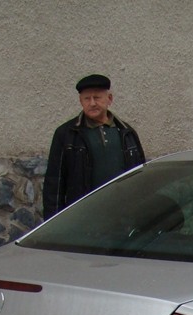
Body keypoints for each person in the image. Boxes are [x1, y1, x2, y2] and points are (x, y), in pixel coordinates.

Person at [42, 73, 145, 220]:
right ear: (80, 101)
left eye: (97, 98)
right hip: (84, 217)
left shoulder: (127, 133)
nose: (92, 103)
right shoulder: (67, 134)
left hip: (124, 215)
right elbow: (55, 184)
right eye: (87, 98)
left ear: (109, 99)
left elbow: (141, 179)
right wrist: (52, 224)